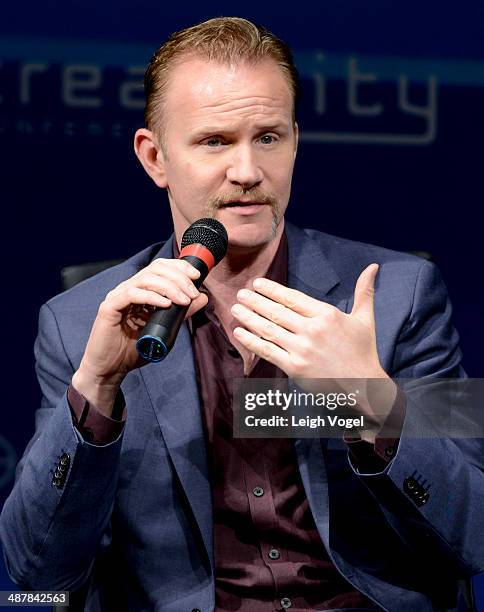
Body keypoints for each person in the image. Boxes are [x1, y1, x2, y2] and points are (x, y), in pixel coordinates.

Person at [1, 16, 483, 612]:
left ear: (296, 143)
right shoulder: (77, 324)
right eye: (214, 141)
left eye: (269, 137)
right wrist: (97, 388)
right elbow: (38, 570)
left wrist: (370, 400)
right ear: (154, 157)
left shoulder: (398, 296)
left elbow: (473, 535)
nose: (249, 172)